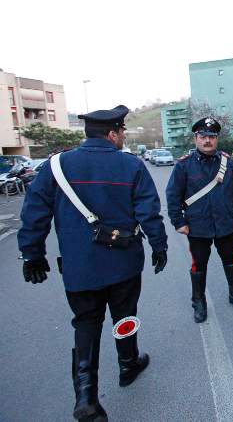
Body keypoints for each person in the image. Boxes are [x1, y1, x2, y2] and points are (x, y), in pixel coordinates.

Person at [17, 105, 168, 422]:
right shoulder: (130, 166)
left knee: (85, 323)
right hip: (124, 263)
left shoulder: (55, 166)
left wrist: (32, 253)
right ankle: (128, 365)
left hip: (79, 268)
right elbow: (148, 213)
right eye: (122, 132)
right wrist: (159, 245)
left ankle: (86, 399)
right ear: (112, 134)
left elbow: (34, 213)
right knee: (124, 314)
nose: (124, 137)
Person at [166, 117, 233, 323]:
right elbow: (173, 195)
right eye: (203, 136)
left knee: (230, 260)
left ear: (217, 139)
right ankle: (199, 302)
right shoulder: (184, 166)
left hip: (226, 224)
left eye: (211, 136)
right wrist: (178, 222)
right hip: (197, 227)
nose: (207, 141)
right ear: (196, 138)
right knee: (198, 266)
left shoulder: (228, 164)